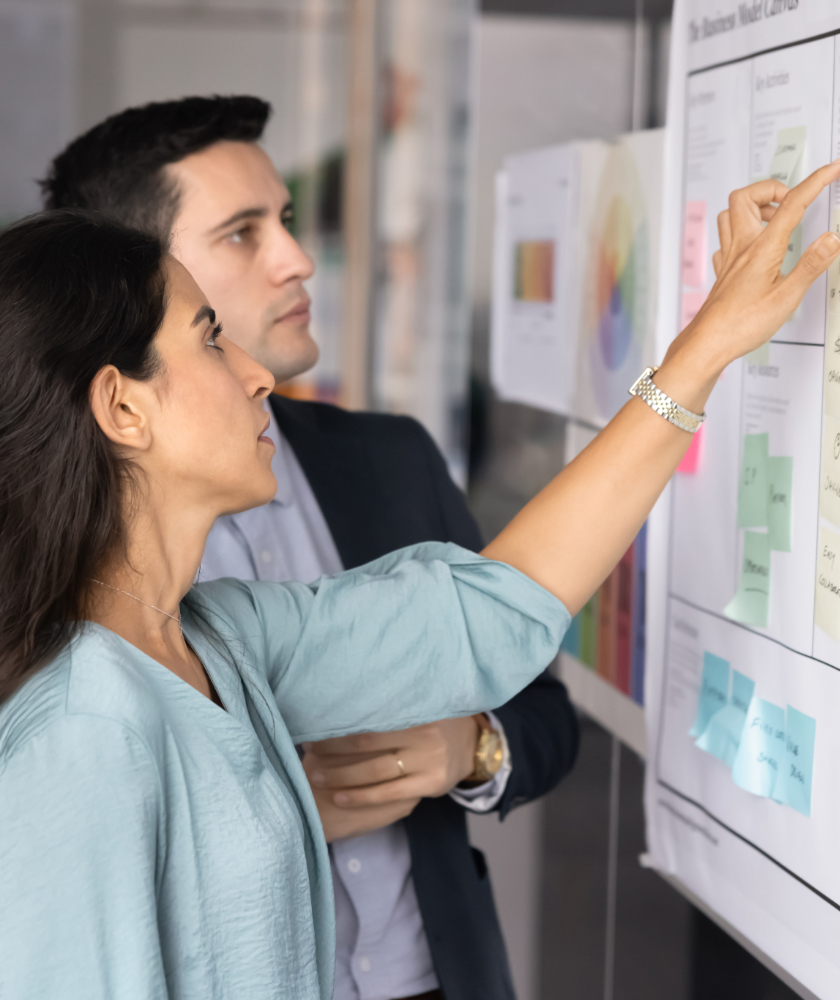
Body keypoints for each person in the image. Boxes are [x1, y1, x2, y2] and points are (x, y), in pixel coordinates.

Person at [0, 155, 840, 1000]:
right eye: (210, 340)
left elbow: (491, 610)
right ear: (122, 409)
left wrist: (704, 349)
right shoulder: (76, 740)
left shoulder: (219, 639)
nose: (256, 373)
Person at [41, 95, 579, 1000]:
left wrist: (474, 752)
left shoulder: (390, 458)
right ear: (134, 277)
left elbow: (528, 675)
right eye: (244, 234)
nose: (297, 260)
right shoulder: (77, 600)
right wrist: (270, 809)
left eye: (285, 221)